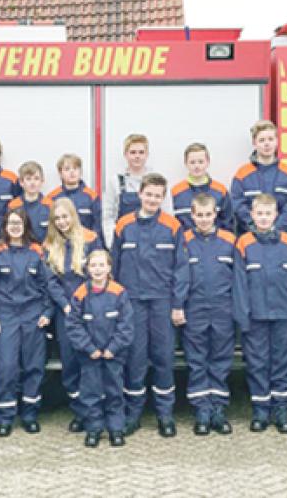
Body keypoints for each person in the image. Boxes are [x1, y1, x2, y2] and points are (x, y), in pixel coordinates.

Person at [111, 173, 188, 438]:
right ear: (140, 194)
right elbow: (115, 267)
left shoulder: (172, 226)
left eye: (158, 195)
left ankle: (165, 415)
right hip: (132, 302)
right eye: (149, 194)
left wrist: (178, 304)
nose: (153, 199)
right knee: (135, 359)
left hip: (162, 303)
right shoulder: (123, 225)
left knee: (164, 358)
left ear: (163, 198)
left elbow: (181, 269)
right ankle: (133, 414)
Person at [0, 208, 70, 437]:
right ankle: (5, 417)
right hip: (6, 315)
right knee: (7, 367)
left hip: (33, 315)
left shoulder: (37, 252)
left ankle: (30, 415)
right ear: (5, 226)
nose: (15, 227)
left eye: (19, 223)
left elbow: (48, 285)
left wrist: (47, 312)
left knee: (34, 366)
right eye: (11, 223)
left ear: (26, 225)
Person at [233, 194, 287, 434]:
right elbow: (239, 283)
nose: (263, 218)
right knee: (257, 364)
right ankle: (260, 411)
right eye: (259, 213)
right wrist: (243, 316)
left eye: (267, 214)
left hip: (283, 315)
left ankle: (281, 411)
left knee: (282, 364)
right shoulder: (243, 243)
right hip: (255, 317)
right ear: (251, 215)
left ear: (276, 216)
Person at [176, 193, 236, 436]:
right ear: (192, 216)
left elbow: (239, 280)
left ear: (216, 214)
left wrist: (238, 310)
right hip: (195, 308)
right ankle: (201, 410)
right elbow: (179, 277)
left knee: (221, 359)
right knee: (197, 360)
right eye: (198, 215)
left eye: (208, 215)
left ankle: (218, 410)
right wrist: (178, 305)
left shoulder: (230, 241)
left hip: (223, 308)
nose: (203, 219)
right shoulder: (184, 241)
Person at [43, 198, 102, 432]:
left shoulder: (90, 238)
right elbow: (50, 281)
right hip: (65, 313)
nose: (62, 222)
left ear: (73, 216)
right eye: (57, 218)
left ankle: (97, 411)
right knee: (70, 364)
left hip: (90, 310)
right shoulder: (49, 244)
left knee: (92, 362)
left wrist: (81, 304)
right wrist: (65, 305)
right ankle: (80, 412)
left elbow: (98, 272)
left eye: (65, 216)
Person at [65, 249, 134, 448]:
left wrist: (113, 348)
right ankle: (94, 428)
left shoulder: (119, 292)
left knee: (114, 391)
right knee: (91, 393)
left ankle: (116, 429)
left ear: (109, 268)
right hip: (90, 355)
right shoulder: (80, 294)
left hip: (114, 354)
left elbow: (126, 325)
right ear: (87, 268)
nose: (97, 269)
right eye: (93, 265)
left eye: (101, 265)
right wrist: (89, 348)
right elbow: (73, 325)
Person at [230, 120, 287, 234]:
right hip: (250, 238)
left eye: (270, 139)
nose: (266, 144)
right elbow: (238, 205)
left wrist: (276, 228)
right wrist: (255, 227)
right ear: (254, 143)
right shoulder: (242, 174)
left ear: (277, 141)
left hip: (280, 238)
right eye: (262, 140)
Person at [170, 143, 233, 232]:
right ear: (186, 163)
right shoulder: (175, 192)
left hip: (215, 244)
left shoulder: (220, 190)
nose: (197, 166)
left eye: (201, 161)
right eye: (192, 162)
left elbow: (227, 223)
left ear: (208, 162)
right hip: (185, 244)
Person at [102, 134, 150, 247]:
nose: (137, 156)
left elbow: (167, 215)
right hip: (124, 243)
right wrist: (112, 244)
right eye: (133, 152)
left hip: (151, 243)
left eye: (141, 152)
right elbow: (108, 217)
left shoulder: (157, 181)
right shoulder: (115, 182)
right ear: (125, 155)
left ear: (147, 155)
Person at [46, 154, 102, 243]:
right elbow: (51, 226)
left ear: (80, 172)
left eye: (75, 168)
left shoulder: (92, 196)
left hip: (86, 244)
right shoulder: (52, 197)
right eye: (67, 169)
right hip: (61, 245)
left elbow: (98, 226)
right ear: (60, 173)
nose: (72, 172)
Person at [8, 161, 52, 241]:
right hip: (22, 251)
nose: (32, 183)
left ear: (42, 181)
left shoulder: (50, 205)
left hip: (44, 251)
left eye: (36, 178)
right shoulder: (13, 206)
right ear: (21, 182)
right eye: (28, 179)